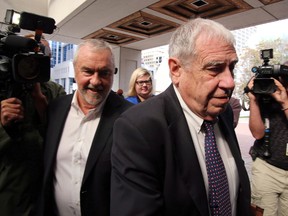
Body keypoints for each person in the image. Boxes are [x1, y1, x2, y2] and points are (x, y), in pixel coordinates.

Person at [111, 18, 251, 216]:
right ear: (176, 70)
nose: (230, 82)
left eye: (232, 68)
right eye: (214, 69)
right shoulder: (138, 127)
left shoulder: (224, 111)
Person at [39, 39, 132, 216]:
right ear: (75, 71)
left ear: (113, 73)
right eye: (88, 71)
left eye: (104, 73)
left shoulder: (130, 118)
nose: (96, 81)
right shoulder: (55, 109)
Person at [0, 35, 66, 215]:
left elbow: (64, 135)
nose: (32, 64)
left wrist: (40, 101)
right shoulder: (2, 87)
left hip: (47, 189)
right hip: (11, 190)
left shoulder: (54, 91)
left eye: (41, 59)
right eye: (28, 58)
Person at [246, 61, 288, 216]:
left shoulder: (283, 99)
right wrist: (253, 100)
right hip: (267, 168)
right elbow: (257, 134)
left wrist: (285, 102)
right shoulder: (267, 96)